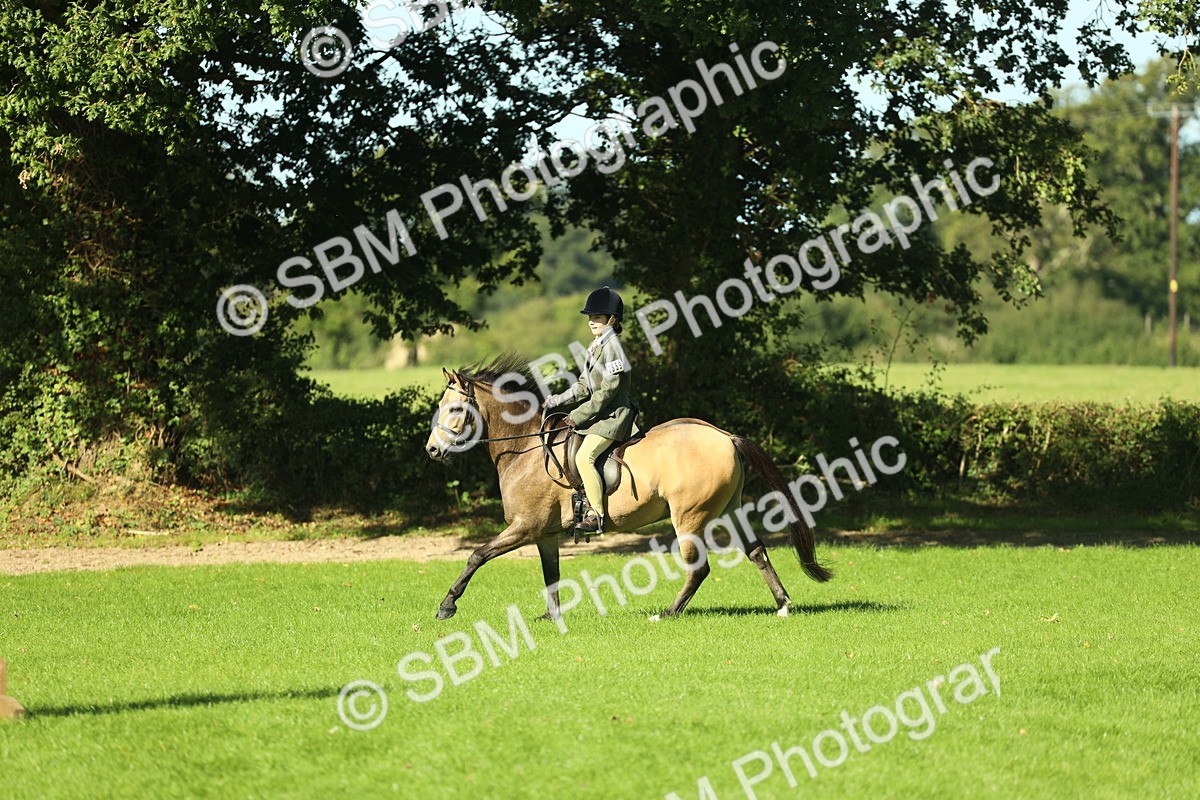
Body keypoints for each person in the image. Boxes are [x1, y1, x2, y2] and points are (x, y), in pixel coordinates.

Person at [545, 286, 638, 534]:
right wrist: (556, 401)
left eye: (597, 317)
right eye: (590, 317)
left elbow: (608, 390)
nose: (591, 321)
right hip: (599, 416)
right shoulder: (595, 345)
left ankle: (596, 514)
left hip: (614, 417)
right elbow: (583, 386)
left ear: (612, 319)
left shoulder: (614, 347)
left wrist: (578, 415)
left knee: (583, 458)